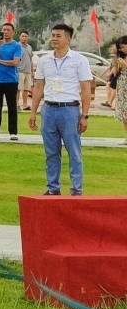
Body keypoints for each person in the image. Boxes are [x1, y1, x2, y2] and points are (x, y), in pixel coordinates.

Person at [29, 23, 92, 195]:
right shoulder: (44, 60)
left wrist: (84, 115)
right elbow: (39, 87)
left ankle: (76, 190)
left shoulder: (79, 60)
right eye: (53, 35)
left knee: (74, 152)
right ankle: (53, 188)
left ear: (68, 39)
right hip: (49, 109)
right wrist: (33, 112)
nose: (54, 39)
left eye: (58, 36)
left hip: (69, 110)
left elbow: (86, 89)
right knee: (51, 152)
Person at [0, 22, 22, 140]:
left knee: (12, 107)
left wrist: (0, 61)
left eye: (8, 30)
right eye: (4, 30)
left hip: (11, 81)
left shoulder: (16, 46)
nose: (6, 32)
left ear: (13, 32)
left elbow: (15, 62)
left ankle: (13, 132)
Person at [18, 31, 35, 110]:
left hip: (27, 71)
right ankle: (16, 104)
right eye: (22, 36)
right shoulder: (17, 46)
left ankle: (25, 105)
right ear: (20, 37)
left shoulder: (29, 47)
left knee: (26, 89)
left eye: (25, 36)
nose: (24, 38)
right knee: (18, 89)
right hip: (19, 70)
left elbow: (30, 59)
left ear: (28, 37)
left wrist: (32, 72)